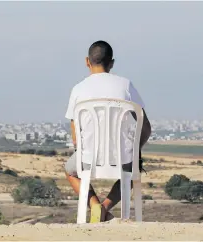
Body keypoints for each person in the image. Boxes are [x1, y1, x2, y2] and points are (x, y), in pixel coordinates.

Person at [64, 40, 152, 223]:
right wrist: (136, 150)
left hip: (88, 157)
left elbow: (74, 136)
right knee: (130, 171)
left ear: (87, 61)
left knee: (70, 171)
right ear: (111, 63)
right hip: (123, 157)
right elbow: (145, 125)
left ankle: (96, 206)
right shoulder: (126, 85)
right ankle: (105, 209)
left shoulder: (78, 89)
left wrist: (82, 150)